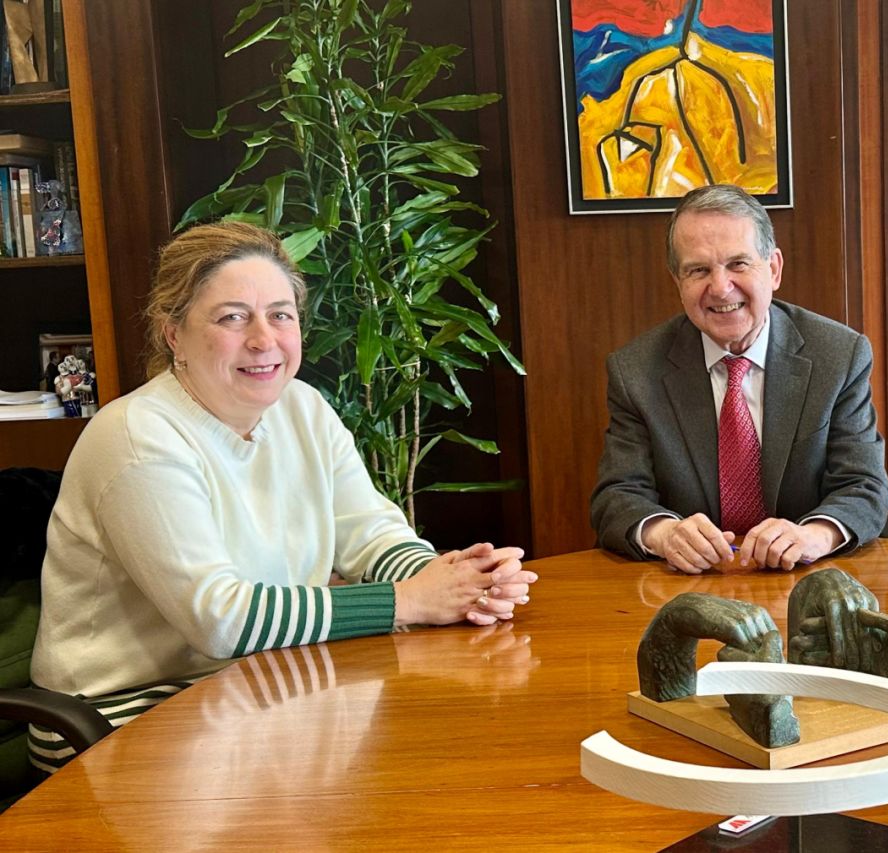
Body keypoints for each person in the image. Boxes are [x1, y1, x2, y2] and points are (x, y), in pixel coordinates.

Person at [30, 221, 536, 772]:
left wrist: (462, 582)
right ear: (172, 332)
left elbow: (368, 533)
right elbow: (221, 620)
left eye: (280, 314)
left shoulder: (302, 407)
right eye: (232, 317)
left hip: (253, 681)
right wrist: (413, 600)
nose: (263, 339)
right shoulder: (136, 435)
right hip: (118, 712)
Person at [590, 184, 888, 573]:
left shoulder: (838, 355)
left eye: (738, 264)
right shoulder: (635, 371)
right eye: (698, 270)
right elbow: (617, 495)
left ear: (774, 268)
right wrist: (666, 534)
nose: (720, 287)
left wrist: (812, 536)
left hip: (813, 577)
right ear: (677, 282)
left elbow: (864, 485)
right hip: (691, 586)